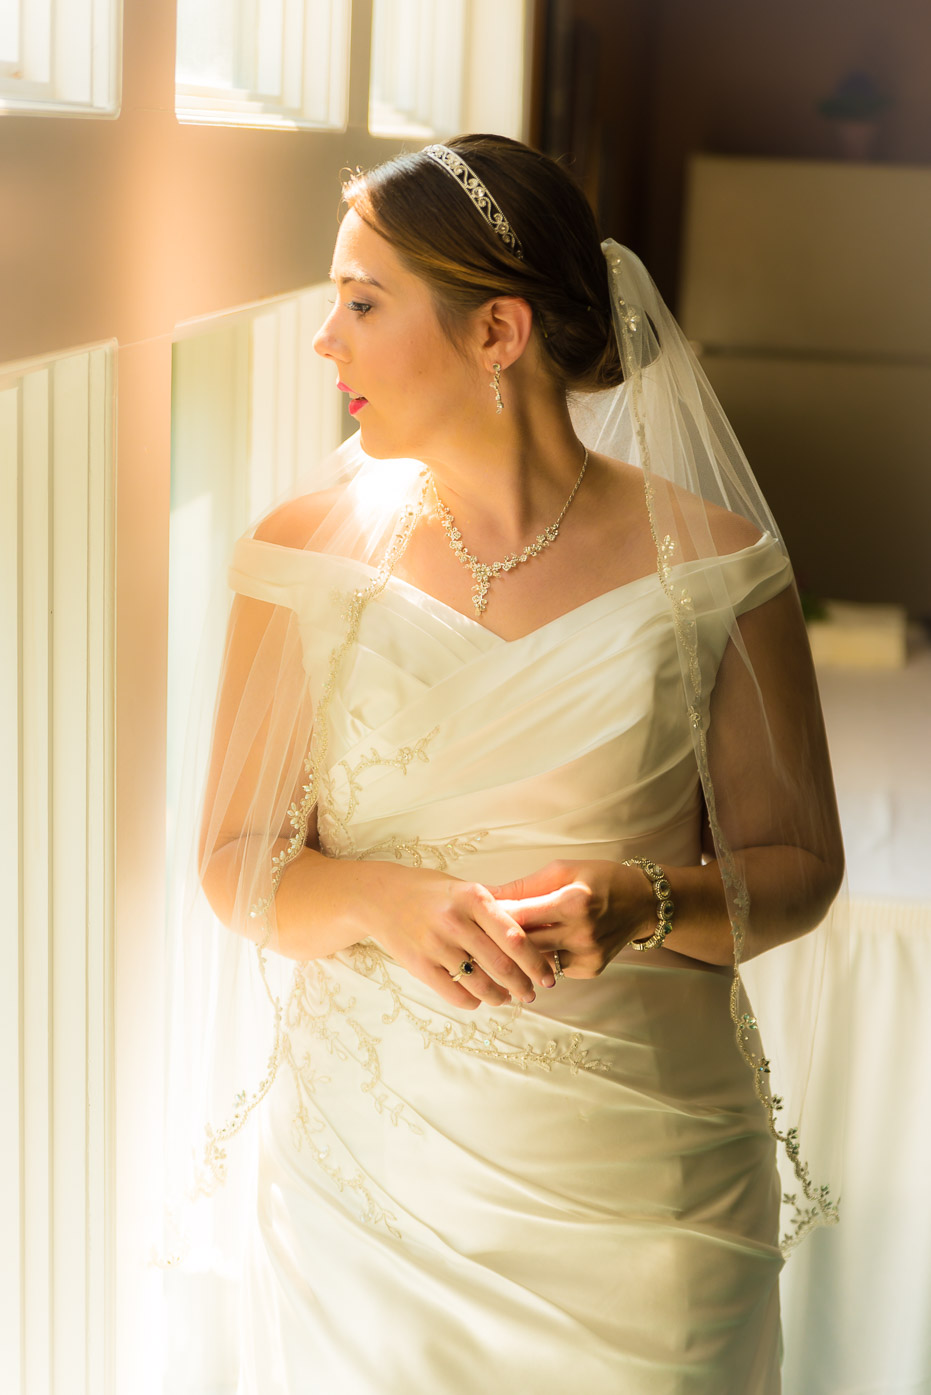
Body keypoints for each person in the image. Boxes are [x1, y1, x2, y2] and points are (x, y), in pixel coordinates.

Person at [189, 134, 844, 1393]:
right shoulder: (305, 555)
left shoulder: (713, 564)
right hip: (368, 1196)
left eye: (362, 304)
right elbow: (234, 863)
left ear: (498, 333)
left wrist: (641, 904)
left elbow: (800, 866)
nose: (325, 341)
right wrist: (383, 899)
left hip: (644, 1202)